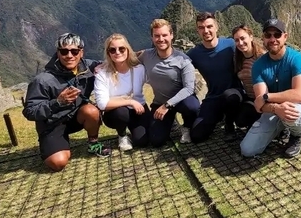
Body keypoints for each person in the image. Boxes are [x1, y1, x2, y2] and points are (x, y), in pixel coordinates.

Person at [22, 32, 111, 171]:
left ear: (81, 53)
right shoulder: (43, 80)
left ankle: (93, 144)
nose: (69, 55)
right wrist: (58, 102)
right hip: (52, 123)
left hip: (76, 117)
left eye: (74, 51)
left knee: (91, 111)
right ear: (58, 53)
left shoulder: (88, 68)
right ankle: (52, 145)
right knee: (58, 163)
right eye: (64, 51)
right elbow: (30, 111)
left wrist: (140, 55)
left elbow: (114, 62)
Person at [240, 18, 301, 159]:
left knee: (292, 112)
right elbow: (259, 106)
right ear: (263, 38)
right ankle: (281, 127)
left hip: (299, 105)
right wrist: (276, 108)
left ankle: (296, 135)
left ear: (285, 37)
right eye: (268, 35)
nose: (273, 39)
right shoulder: (259, 66)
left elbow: (299, 96)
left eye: (277, 35)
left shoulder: (297, 58)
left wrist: (267, 97)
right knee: (247, 149)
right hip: (275, 109)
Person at [137, 18, 200, 146]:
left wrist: (167, 105)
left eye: (164, 35)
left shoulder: (183, 60)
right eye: (157, 36)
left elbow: (189, 88)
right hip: (160, 102)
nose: (161, 39)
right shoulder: (146, 55)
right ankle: (171, 124)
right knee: (156, 140)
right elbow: (125, 58)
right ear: (152, 38)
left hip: (181, 101)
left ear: (171, 35)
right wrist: (101, 65)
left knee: (192, 107)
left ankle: (187, 127)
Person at [187, 11, 241, 143]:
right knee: (197, 135)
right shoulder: (194, 54)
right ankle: (217, 115)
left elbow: (253, 50)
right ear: (197, 31)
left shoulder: (231, 45)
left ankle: (229, 124)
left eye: (209, 26)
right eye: (201, 28)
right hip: (213, 97)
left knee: (230, 96)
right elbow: (176, 64)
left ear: (216, 27)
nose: (206, 31)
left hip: (234, 94)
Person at [94, 33, 152, 151]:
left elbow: (156, 80)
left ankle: (134, 130)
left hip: (139, 110)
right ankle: (122, 135)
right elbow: (102, 104)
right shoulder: (103, 74)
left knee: (142, 141)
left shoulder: (139, 69)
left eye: (121, 49)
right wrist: (130, 101)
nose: (118, 52)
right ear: (108, 53)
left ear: (127, 50)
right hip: (116, 114)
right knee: (121, 112)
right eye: (112, 50)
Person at [230, 24, 266, 132]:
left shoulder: (262, 57)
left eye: (242, 38)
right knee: (240, 121)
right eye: (236, 40)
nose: (240, 43)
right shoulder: (237, 59)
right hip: (250, 98)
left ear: (251, 37)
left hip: (265, 98)